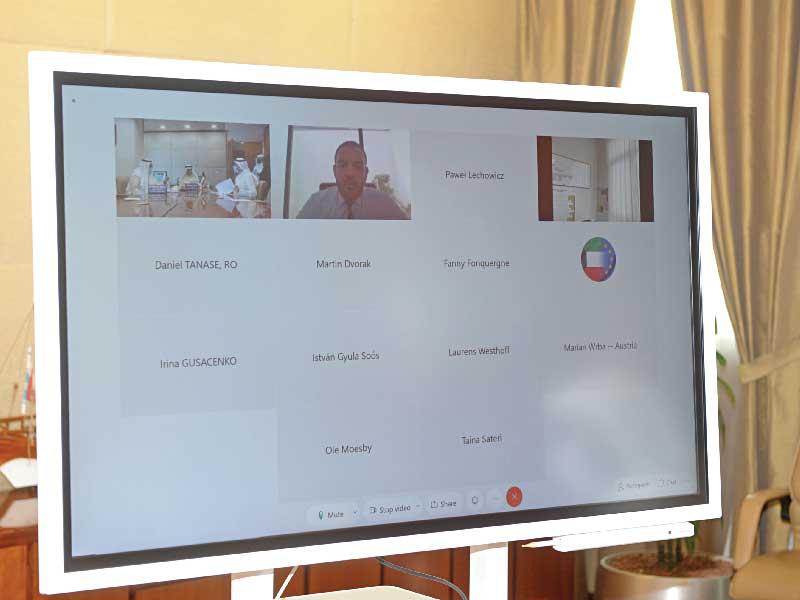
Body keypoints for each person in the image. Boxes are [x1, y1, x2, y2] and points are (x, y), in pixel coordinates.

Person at [296, 141, 409, 219]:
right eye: (342, 165)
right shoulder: (316, 203)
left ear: (366, 173)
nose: (350, 173)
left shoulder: (385, 203)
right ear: (334, 171)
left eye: (357, 166)